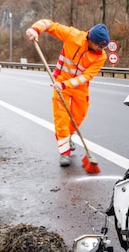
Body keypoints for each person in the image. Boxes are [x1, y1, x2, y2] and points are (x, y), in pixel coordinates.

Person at [25, 20, 109, 166]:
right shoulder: (73, 35)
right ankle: (64, 153)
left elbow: (86, 76)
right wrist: (35, 29)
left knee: (78, 116)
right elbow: (50, 25)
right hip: (60, 81)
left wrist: (66, 85)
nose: (101, 49)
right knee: (61, 118)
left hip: (78, 87)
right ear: (90, 39)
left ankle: (68, 136)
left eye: (104, 46)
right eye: (99, 45)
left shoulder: (101, 56)